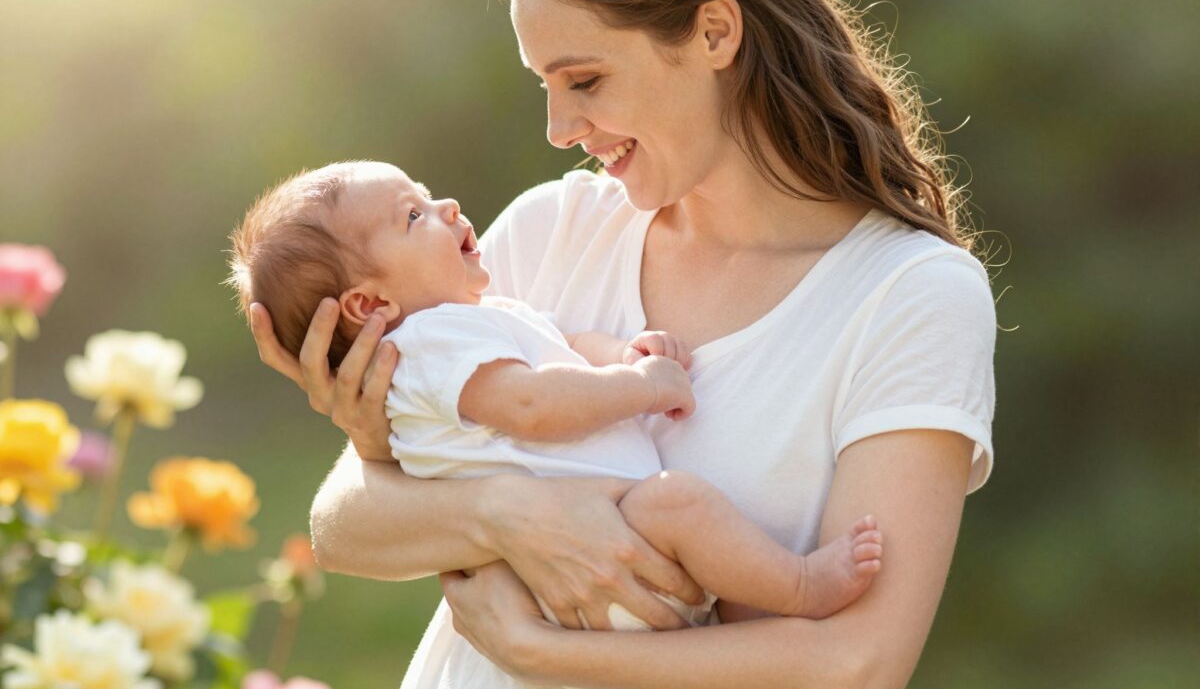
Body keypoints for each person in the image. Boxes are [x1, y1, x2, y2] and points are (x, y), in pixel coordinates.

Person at [249, 0, 996, 689]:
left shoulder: (906, 295)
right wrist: (492, 508)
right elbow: (343, 526)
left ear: (716, 31)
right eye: (546, 87)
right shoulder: (550, 232)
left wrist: (531, 645)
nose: (561, 128)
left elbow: (852, 673)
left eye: (587, 79)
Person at [226, 160, 885, 646]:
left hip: (597, 571)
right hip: (599, 560)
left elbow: (561, 348)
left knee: (697, 532)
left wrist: (622, 354)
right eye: (413, 216)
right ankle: (801, 585)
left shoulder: (470, 323)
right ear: (372, 305)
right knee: (680, 502)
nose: (448, 206)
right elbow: (535, 403)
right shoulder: (429, 345)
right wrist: (644, 387)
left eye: (427, 194)